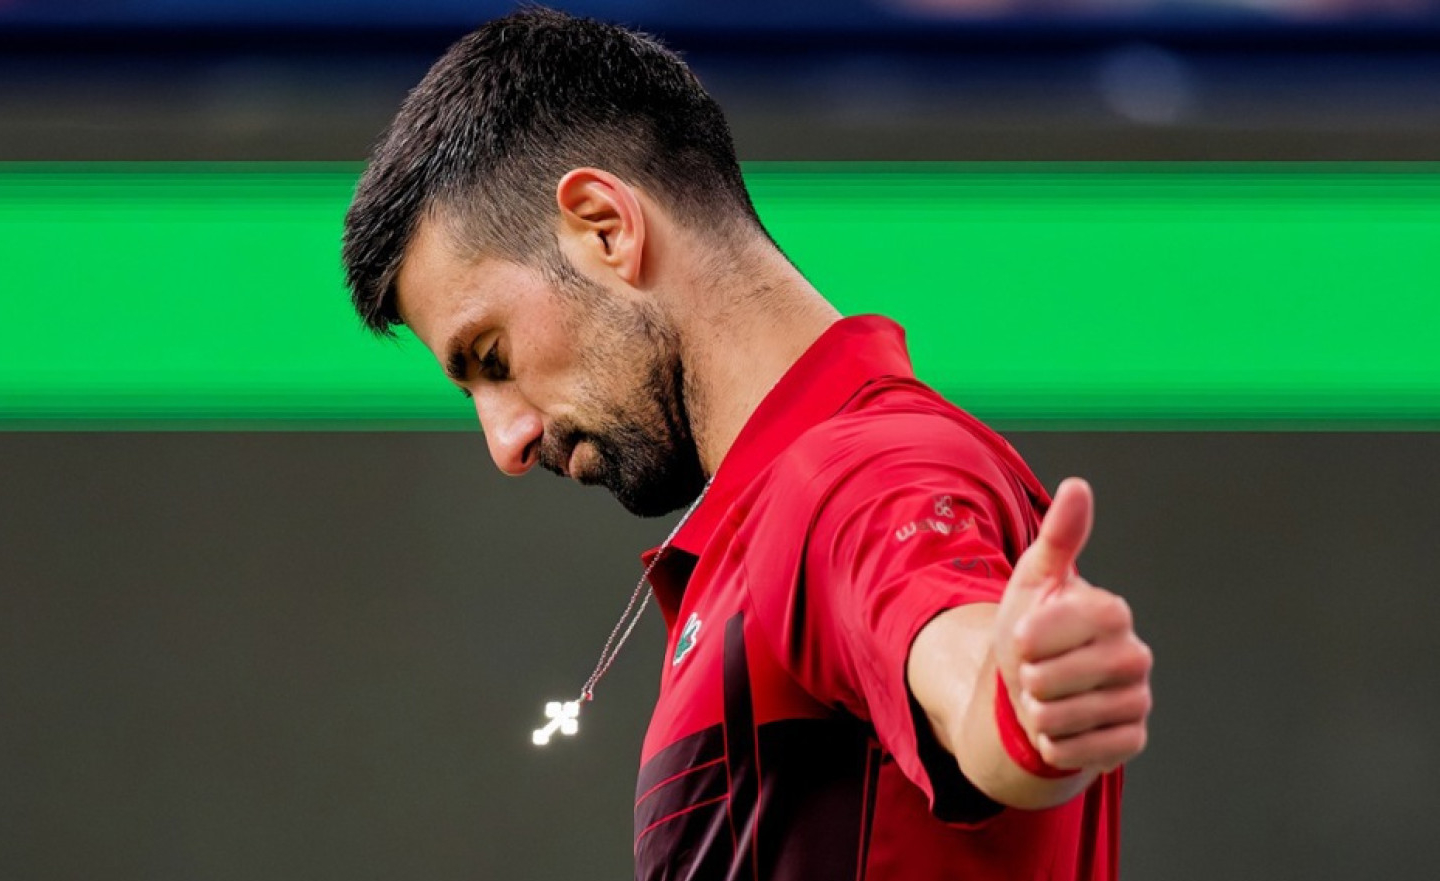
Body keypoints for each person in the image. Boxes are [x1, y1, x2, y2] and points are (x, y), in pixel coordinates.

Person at [342, 8, 1152, 880]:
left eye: (493, 357)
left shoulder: (848, 475)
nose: (505, 441)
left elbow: (960, 659)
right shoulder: (777, 514)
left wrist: (1018, 701)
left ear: (605, 226)